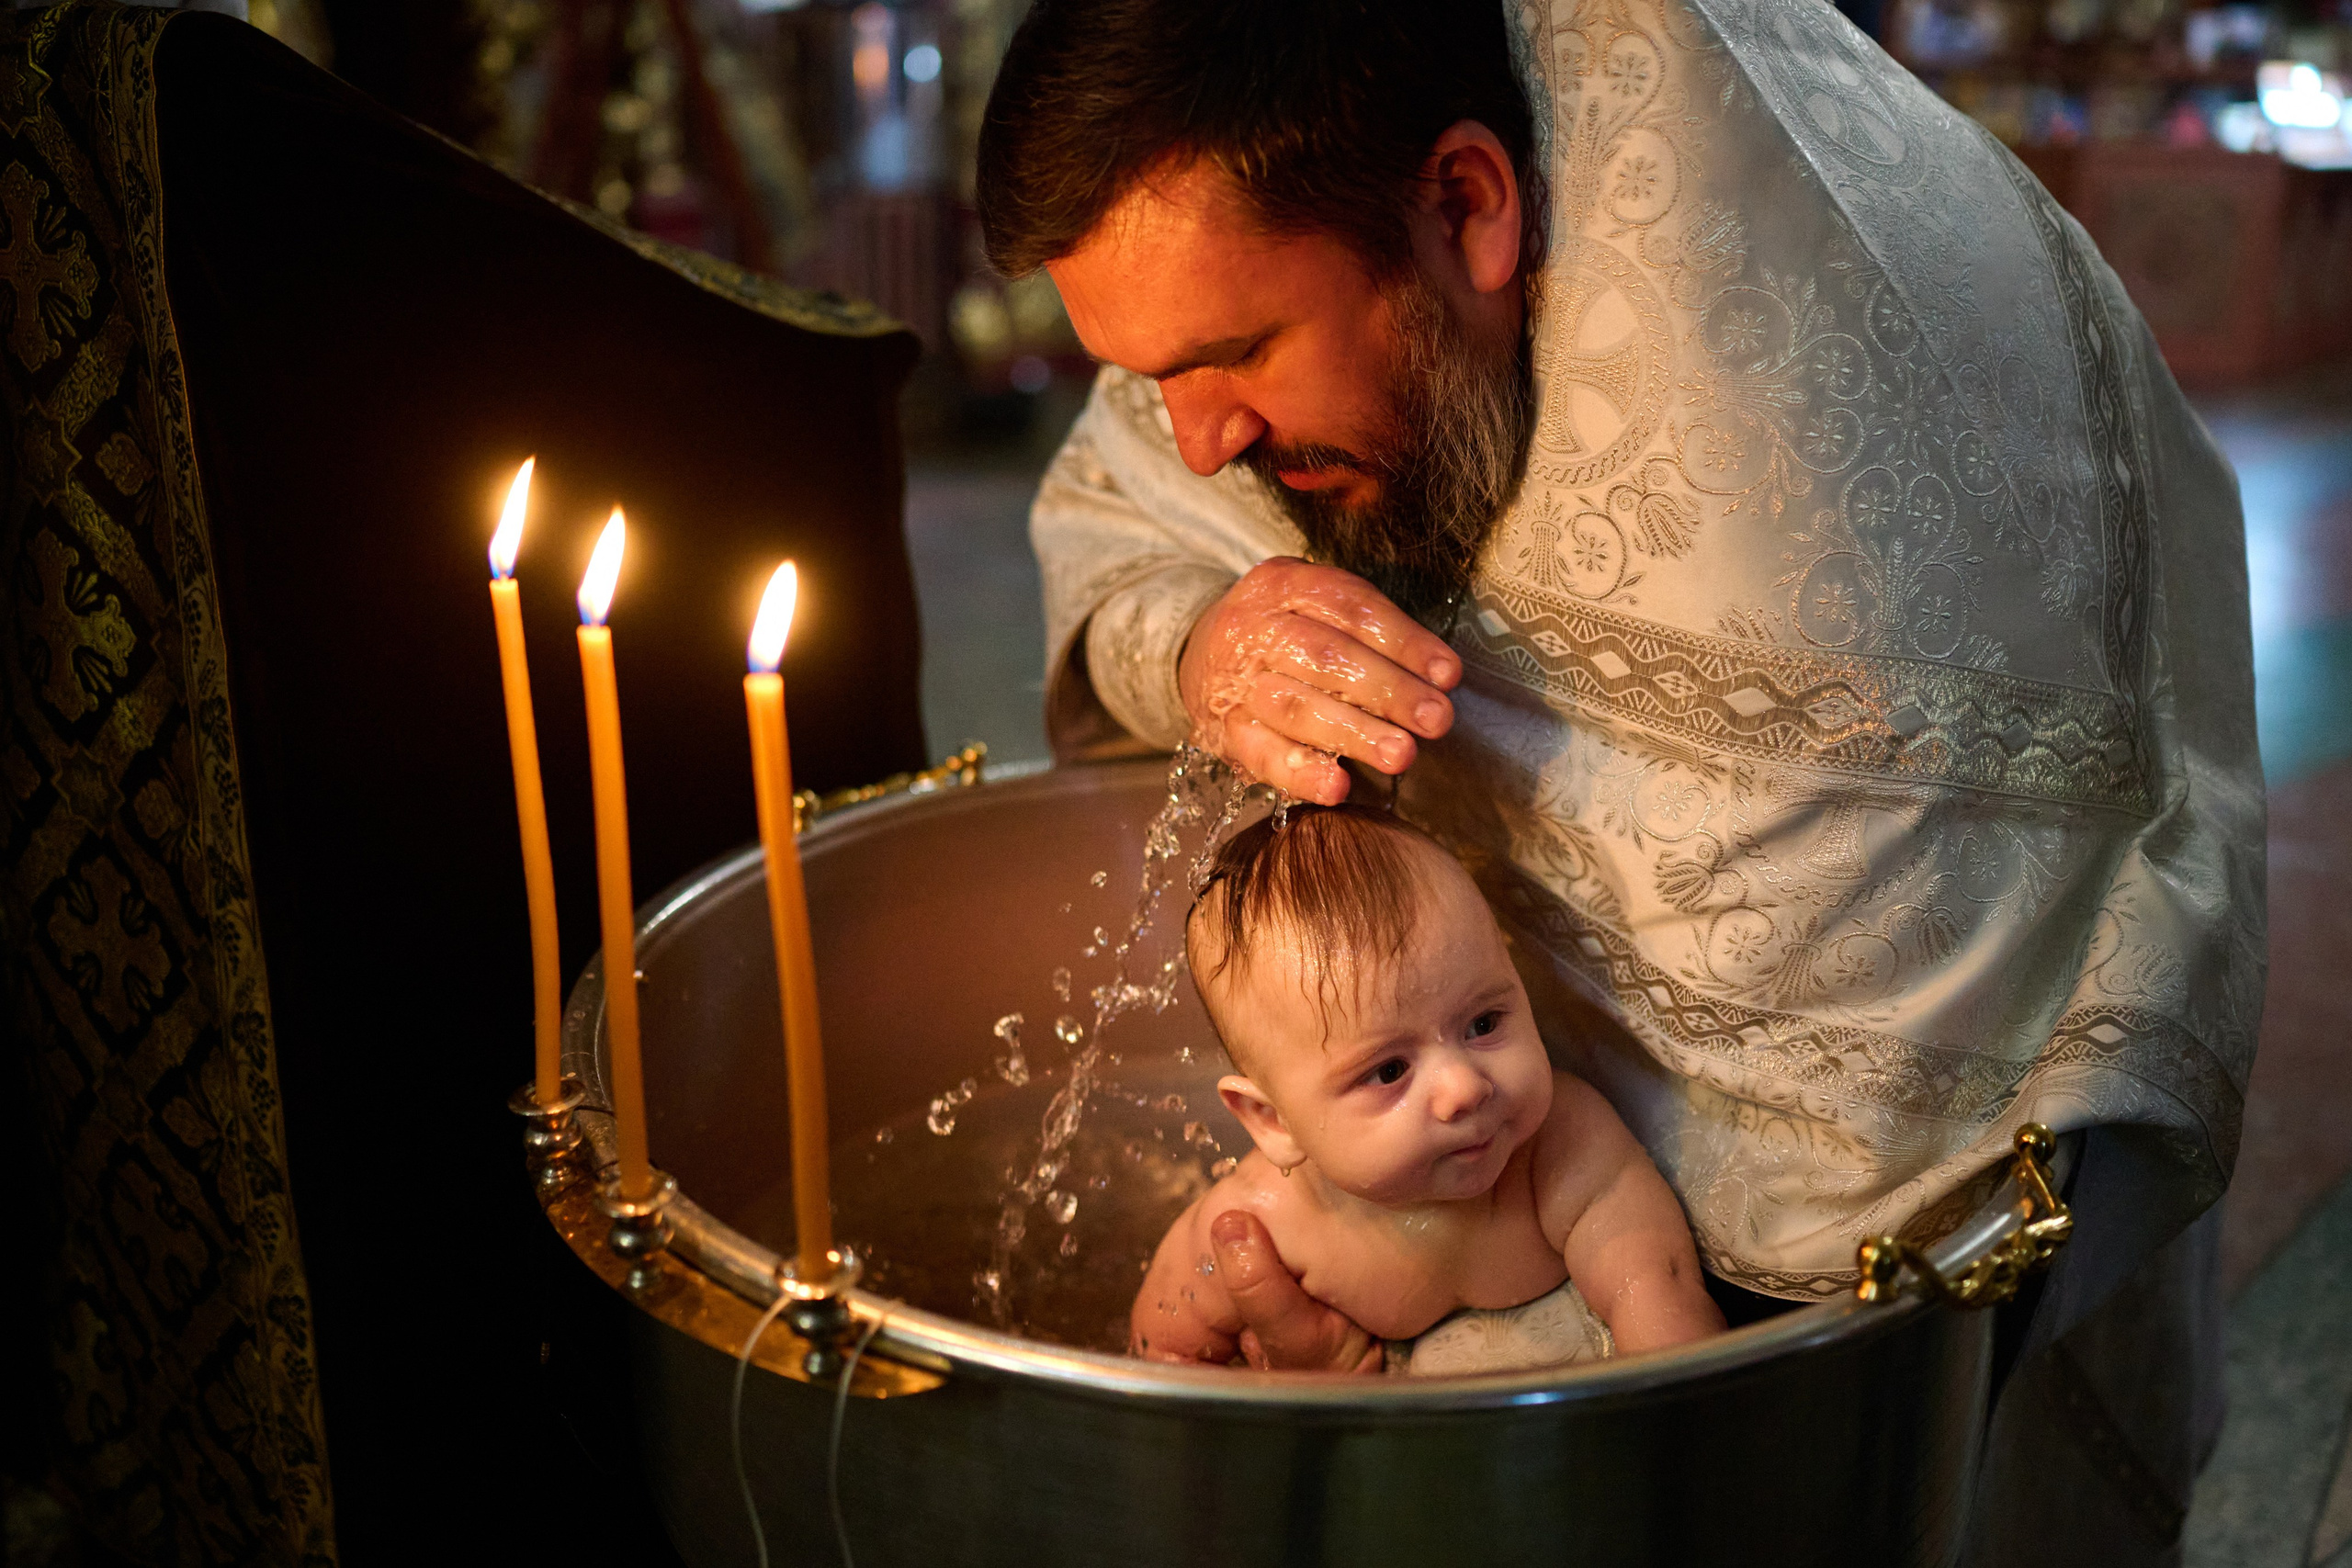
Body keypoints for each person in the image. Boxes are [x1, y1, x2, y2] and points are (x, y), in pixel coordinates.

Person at [981, 0, 2262, 1556]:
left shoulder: (1783, 463)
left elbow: (1808, 1250)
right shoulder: (1258, 213)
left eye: (1237, 355)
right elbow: (1135, 523)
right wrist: (1205, 641)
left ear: (1468, 204)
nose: (1194, 444)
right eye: (1149, 377)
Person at [1133, 805, 1724, 1368]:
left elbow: (1659, 1301)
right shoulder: (1261, 1222)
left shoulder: (1563, 1148)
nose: (1464, 1088)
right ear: (1274, 1122)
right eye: (1390, 1071)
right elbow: (1160, 1358)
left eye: (1483, 1024)